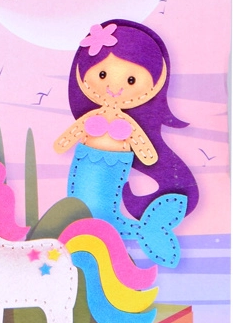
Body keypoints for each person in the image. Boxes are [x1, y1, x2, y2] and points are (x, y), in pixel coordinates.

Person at [54, 20, 198, 266]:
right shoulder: (92, 117)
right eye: (102, 75)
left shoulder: (127, 124)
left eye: (131, 80)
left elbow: (148, 154)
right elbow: (64, 141)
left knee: (98, 215)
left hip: (113, 165)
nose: (114, 87)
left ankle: (142, 232)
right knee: (82, 208)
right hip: (87, 160)